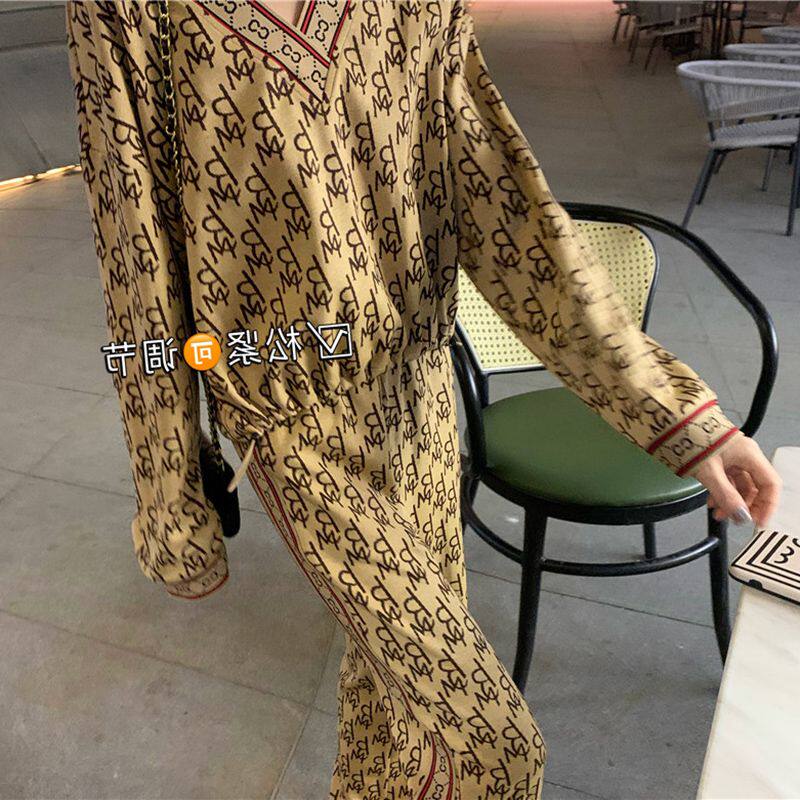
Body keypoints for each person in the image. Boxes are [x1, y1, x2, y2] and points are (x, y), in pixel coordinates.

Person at [65, 1, 782, 797]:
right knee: (491, 750)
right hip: (290, 418)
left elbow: (508, 211)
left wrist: (676, 413)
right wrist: (171, 494)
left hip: (420, 393)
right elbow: (135, 250)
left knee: (395, 706)